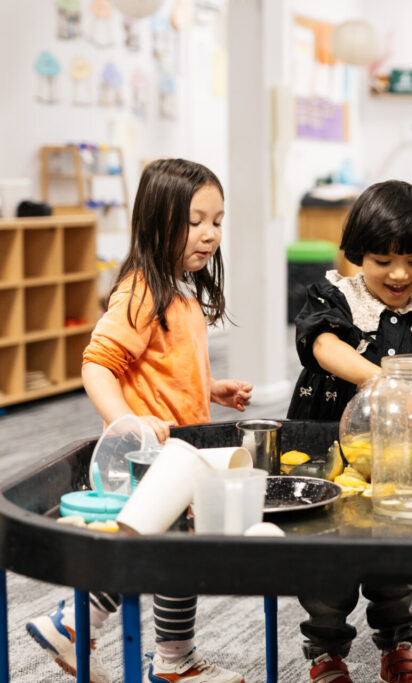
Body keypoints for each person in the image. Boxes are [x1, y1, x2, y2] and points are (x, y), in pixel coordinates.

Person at [26, 158, 253, 683]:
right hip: (153, 457)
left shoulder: (180, 290)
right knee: (154, 552)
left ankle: (171, 659)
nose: (209, 234)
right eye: (194, 221)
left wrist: (210, 390)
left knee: (173, 558)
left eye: (217, 221)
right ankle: (76, 623)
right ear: (156, 221)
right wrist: (128, 421)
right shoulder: (142, 290)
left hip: (181, 452)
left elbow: (163, 367)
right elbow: (97, 365)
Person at [287, 180, 412, 683]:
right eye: (384, 259)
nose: (400, 273)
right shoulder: (335, 298)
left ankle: (398, 645)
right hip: (326, 454)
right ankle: (325, 653)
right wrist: (386, 381)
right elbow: (322, 345)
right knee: (327, 566)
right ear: (358, 253)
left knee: (399, 561)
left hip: (400, 469)